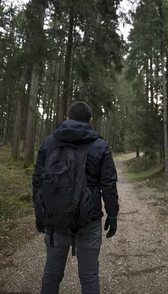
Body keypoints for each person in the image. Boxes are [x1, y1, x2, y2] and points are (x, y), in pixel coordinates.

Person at [32, 101, 119, 294]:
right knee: (89, 276)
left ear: (66, 119)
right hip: (89, 219)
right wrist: (112, 215)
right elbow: (109, 185)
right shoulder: (100, 145)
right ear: (91, 121)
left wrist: (40, 214)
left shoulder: (49, 142)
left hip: (56, 220)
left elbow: (37, 181)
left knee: (52, 274)